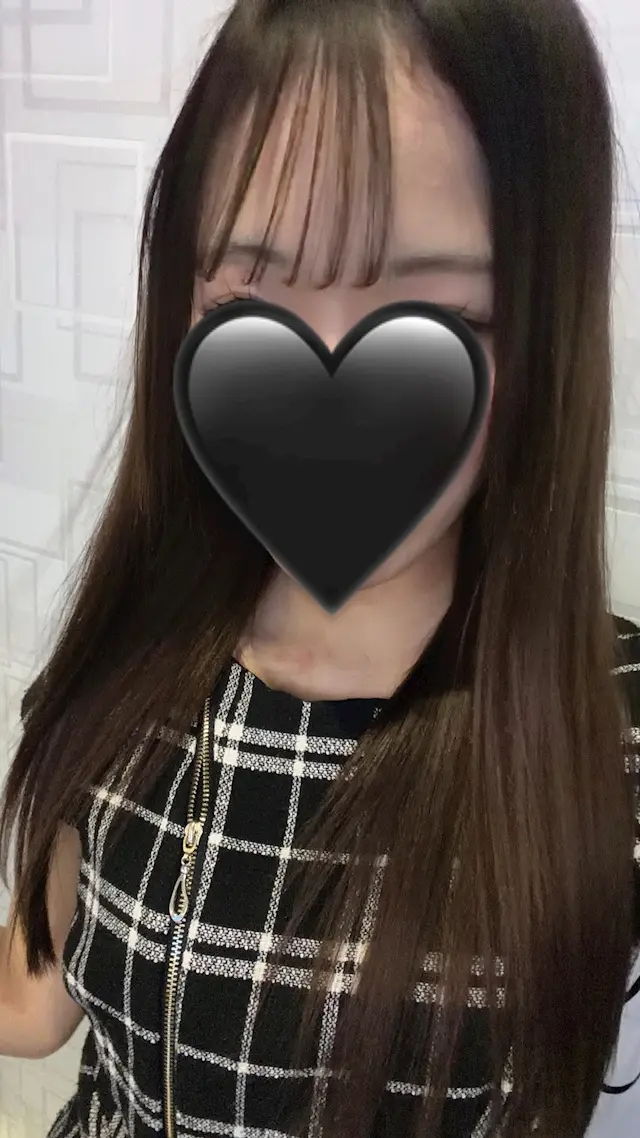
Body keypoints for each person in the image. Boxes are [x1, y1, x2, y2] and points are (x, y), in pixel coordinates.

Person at [1, 1, 640, 1136]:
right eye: (246, 300)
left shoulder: (610, 742)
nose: (329, 382)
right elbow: (38, 998)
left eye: (442, 313)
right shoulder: (131, 658)